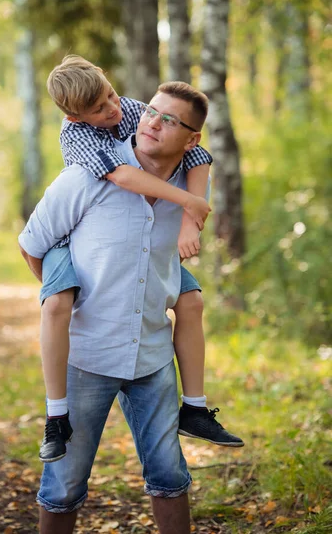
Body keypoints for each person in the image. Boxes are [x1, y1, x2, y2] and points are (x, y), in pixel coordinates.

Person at [20, 56, 243, 465]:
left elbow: (198, 154)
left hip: (142, 256)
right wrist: (60, 284)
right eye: (100, 109)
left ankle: (194, 408)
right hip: (69, 244)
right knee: (57, 304)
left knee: (191, 301)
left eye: (111, 95)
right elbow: (122, 177)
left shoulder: (137, 111)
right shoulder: (78, 138)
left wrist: (191, 222)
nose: (114, 110)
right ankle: (55, 416)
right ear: (75, 116)